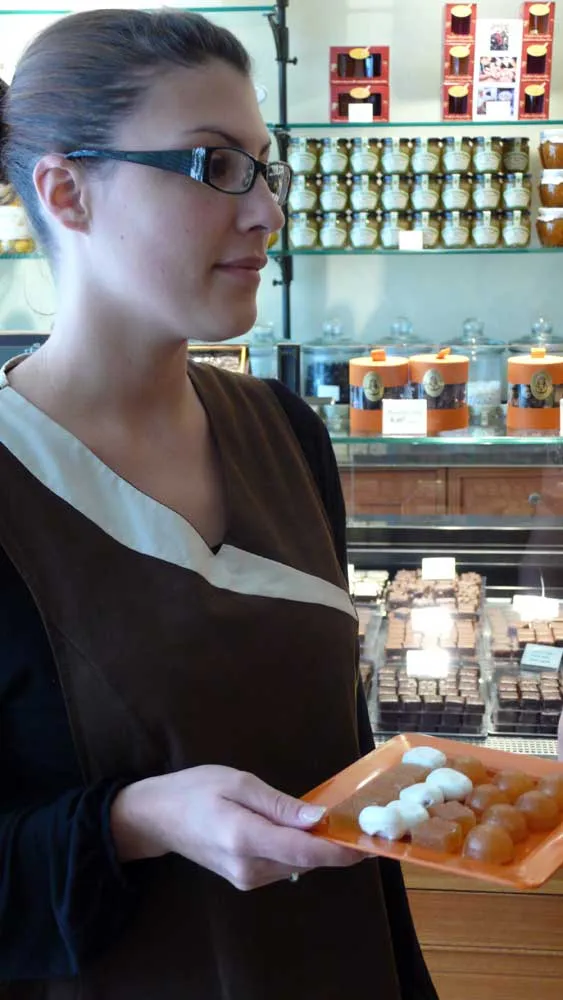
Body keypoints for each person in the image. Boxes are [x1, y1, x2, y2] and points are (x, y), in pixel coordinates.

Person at [0, 9, 437, 999]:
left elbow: (339, 754)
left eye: (266, 169)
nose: (266, 211)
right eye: (216, 166)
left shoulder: (284, 431)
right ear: (67, 193)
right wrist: (133, 821)